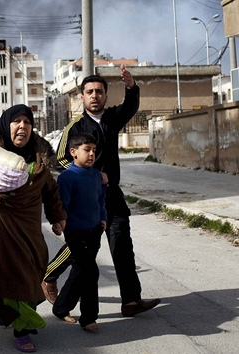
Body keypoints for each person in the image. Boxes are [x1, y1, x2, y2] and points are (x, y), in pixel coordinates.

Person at [43, 65, 161, 317]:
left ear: (106, 96)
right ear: (82, 97)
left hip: (112, 196)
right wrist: (91, 174)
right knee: (82, 247)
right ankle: (49, 275)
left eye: (99, 91)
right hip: (85, 198)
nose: (94, 95)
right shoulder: (74, 127)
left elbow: (130, 108)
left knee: (121, 245)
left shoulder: (111, 118)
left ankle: (130, 300)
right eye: (89, 91)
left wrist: (131, 87)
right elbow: (60, 160)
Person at [0, 104, 67, 353]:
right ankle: (23, 330)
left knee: (32, 274)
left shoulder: (39, 157)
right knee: (6, 276)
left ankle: (11, 313)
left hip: (28, 229)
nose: (22, 127)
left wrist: (58, 217)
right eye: (17, 121)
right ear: (7, 125)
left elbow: (50, 190)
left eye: (27, 122)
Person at [51, 133, 106, 332]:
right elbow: (61, 205)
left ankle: (61, 307)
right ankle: (89, 317)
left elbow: (100, 200)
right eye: (87, 150)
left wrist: (103, 218)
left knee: (80, 271)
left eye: (94, 150)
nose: (91, 154)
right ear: (73, 152)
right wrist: (58, 223)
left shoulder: (96, 175)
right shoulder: (67, 178)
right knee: (91, 271)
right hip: (75, 233)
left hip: (94, 231)